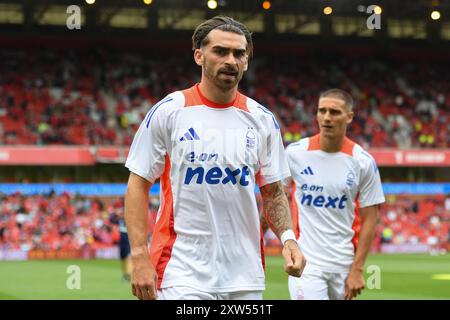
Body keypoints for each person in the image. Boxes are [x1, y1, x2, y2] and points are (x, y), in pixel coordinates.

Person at [124, 16, 306, 300]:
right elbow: (138, 184)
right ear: (199, 56)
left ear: (246, 61)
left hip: (245, 277)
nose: (231, 60)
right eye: (220, 51)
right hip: (181, 272)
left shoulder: (262, 120)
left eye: (239, 53)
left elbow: (273, 192)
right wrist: (138, 255)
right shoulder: (170, 111)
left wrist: (288, 239)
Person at [285, 89, 385, 300]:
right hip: (306, 262)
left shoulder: (362, 162)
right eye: (322, 111)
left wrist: (357, 270)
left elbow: (370, 218)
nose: (327, 117)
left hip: (343, 264)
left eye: (335, 112)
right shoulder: (295, 154)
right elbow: (274, 197)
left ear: (349, 116)